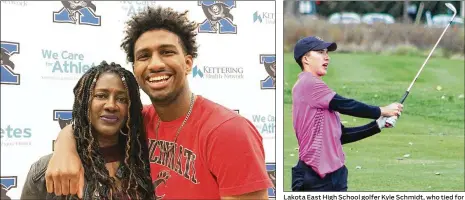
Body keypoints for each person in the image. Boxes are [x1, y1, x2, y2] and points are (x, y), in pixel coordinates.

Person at [44, 6, 273, 200]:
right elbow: (88, 124)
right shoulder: (138, 119)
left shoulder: (227, 131)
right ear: (135, 69)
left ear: (187, 63)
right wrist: (65, 147)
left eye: (166, 52)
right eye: (144, 56)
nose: (155, 64)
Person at [20, 61, 155, 200]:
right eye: (101, 95)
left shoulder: (146, 163)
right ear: (84, 102)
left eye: (122, 99)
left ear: (130, 109)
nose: (111, 105)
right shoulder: (46, 171)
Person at [290, 36, 404, 191]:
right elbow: (347, 105)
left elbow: (341, 136)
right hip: (315, 176)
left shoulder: (316, 91)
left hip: (335, 175)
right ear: (306, 59)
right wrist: (382, 110)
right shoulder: (308, 83)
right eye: (320, 52)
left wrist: (378, 124)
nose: (327, 57)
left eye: (327, 53)